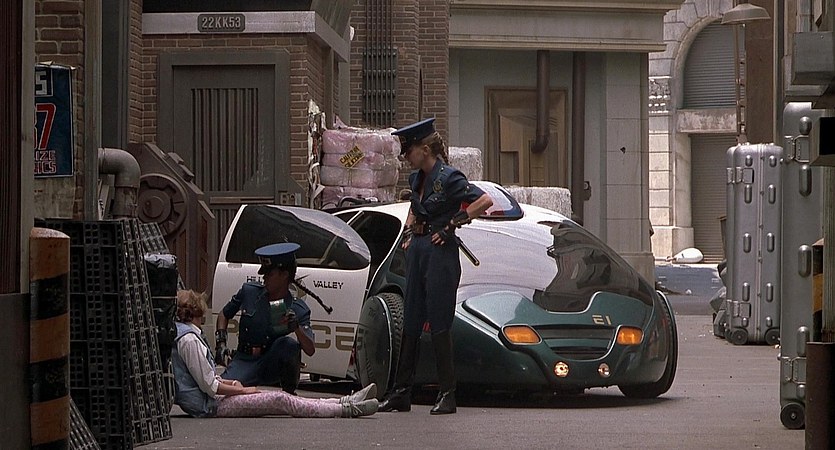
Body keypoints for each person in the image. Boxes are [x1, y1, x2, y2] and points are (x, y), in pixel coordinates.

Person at [379, 118, 493, 415]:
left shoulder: (449, 178)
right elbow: (414, 209)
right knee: (411, 320)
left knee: (440, 322)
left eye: (409, 151)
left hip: (440, 253)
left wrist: (454, 224)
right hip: (419, 250)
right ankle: (401, 392)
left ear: (425, 150)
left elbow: (484, 201)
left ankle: (447, 393)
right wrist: (408, 233)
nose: (406, 157)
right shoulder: (416, 179)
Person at [172, 289, 379, 418]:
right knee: (280, 400)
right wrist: (243, 391)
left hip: (210, 399)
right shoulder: (189, 340)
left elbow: (207, 379)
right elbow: (209, 387)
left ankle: (344, 401)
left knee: (279, 398)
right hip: (209, 405)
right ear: (197, 311)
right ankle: (346, 408)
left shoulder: (186, 335)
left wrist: (233, 384)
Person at [214, 242, 315, 394]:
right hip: (245, 360)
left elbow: (310, 349)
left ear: (284, 275)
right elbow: (224, 314)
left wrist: (296, 328)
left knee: (289, 345)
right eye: (264, 273)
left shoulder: (297, 308)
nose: (264, 278)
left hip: (270, 363)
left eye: (270, 274)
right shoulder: (250, 292)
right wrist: (221, 343)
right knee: (222, 391)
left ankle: (289, 393)